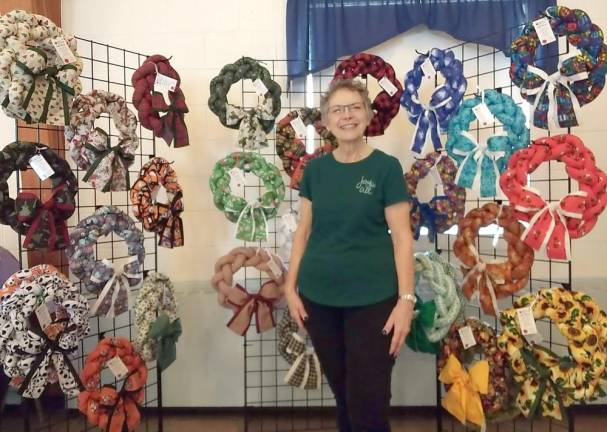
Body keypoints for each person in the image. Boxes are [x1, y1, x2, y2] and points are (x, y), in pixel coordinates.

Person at [284, 79, 415, 432]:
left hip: (374, 299)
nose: (347, 116)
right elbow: (304, 230)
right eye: (337, 110)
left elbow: (403, 238)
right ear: (326, 121)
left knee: (368, 399)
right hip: (318, 299)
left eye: (354, 107)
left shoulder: (386, 168)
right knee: (344, 394)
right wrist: (290, 287)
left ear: (368, 114)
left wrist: (406, 300)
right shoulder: (315, 171)